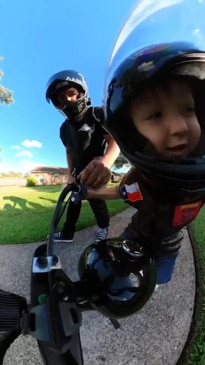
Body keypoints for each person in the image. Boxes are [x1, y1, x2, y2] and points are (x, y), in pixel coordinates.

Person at [77, 38, 205, 285]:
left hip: (169, 245)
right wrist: (89, 192)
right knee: (115, 272)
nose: (179, 126)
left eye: (188, 110)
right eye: (156, 115)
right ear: (133, 132)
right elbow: (120, 192)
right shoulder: (141, 180)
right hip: (135, 234)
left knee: (161, 279)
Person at [46, 70, 120, 243]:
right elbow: (69, 151)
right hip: (79, 172)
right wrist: (70, 174)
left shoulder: (96, 114)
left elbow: (114, 141)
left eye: (71, 94)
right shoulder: (64, 129)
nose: (68, 100)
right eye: (61, 99)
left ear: (82, 92)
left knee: (97, 202)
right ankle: (67, 233)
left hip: (95, 169)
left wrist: (105, 163)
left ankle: (104, 227)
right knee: (73, 202)